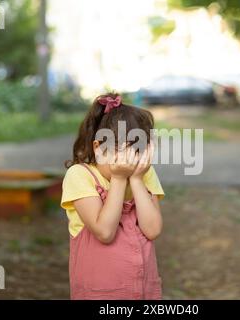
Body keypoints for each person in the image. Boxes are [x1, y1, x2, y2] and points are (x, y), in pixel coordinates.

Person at [61, 93, 164, 300]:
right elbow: (104, 232)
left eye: (137, 151)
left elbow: (152, 230)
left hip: (143, 293)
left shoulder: (144, 174)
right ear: (99, 149)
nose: (130, 160)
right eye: (122, 151)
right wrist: (119, 179)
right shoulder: (80, 175)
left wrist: (135, 180)